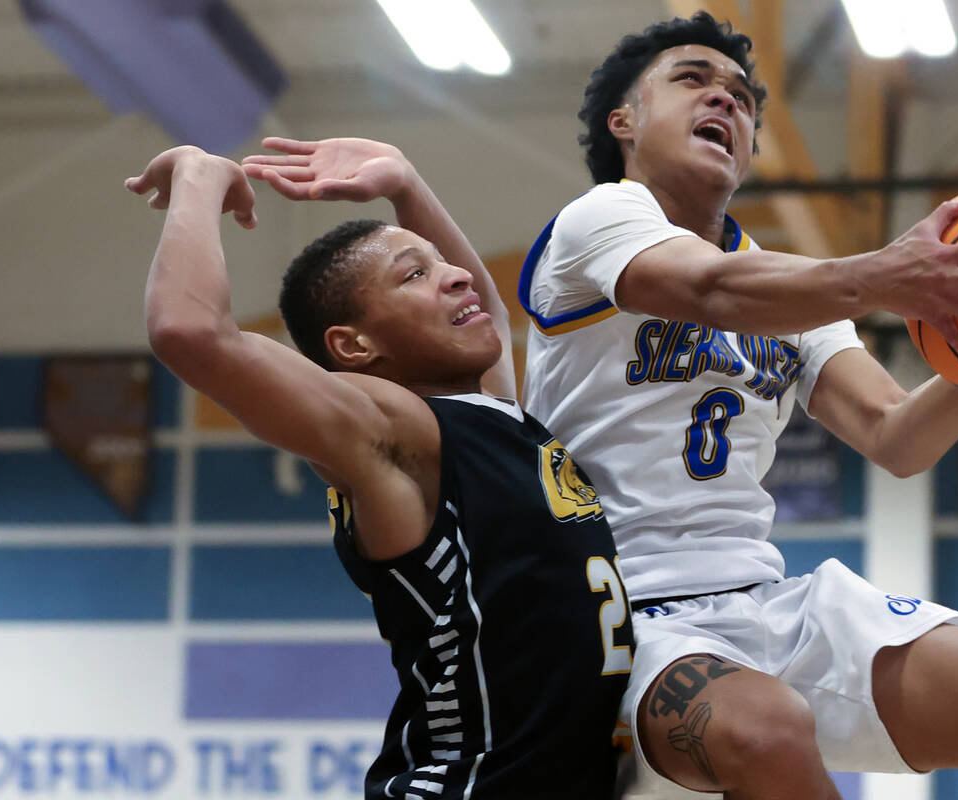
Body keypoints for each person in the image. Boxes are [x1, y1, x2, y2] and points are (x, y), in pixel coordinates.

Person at [517, 12, 958, 800]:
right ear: (623, 120)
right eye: (694, 80)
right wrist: (881, 274)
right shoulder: (598, 218)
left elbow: (896, 438)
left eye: (741, 97)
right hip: (627, 611)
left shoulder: (795, 284)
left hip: (765, 600)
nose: (726, 101)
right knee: (767, 732)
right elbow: (709, 289)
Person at [127, 141, 634, 799]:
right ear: (353, 346)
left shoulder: (488, 418)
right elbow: (189, 331)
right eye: (413, 276)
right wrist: (199, 177)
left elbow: (487, 307)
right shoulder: (392, 428)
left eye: (443, 266)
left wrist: (407, 183)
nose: (457, 277)